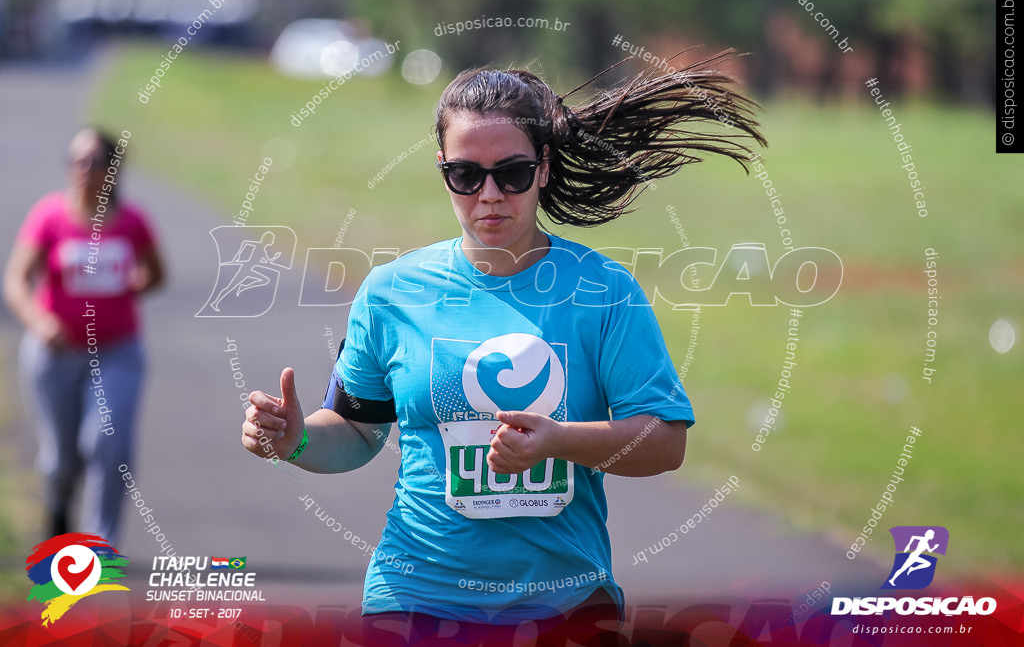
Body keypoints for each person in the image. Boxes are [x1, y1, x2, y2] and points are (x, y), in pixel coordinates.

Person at [241, 53, 765, 640]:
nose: (489, 194)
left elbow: (665, 443)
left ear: (542, 168)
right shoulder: (390, 293)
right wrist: (299, 439)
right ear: (442, 171)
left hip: (566, 606)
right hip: (414, 597)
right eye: (466, 175)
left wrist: (559, 441)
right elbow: (359, 432)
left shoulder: (605, 291)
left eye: (511, 173)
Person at [4, 127, 164, 543]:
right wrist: (39, 322)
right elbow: (17, 280)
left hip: (117, 353)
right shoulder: (49, 216)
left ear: (113, 170)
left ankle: (98, 543)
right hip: (54, 355)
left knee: (107, 445)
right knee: (61, 459)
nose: (81, 169)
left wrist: (129, 284)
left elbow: (156, 273)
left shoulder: (132, 222)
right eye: (74, 160)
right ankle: (58, 507)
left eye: (92, 162)